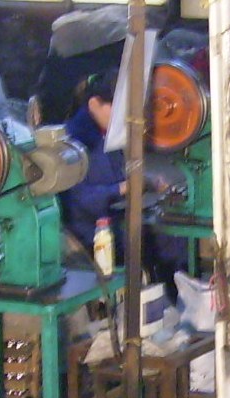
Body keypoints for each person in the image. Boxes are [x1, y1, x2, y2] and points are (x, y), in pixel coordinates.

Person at [61, 70, 182, 294]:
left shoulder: (106, 133)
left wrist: (147, 181)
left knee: (172, 233)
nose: (123, 119)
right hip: (88, 232)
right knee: (164, 239)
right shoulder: (72, 141)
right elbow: (79, 201)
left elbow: (117, 174)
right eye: (118, 110)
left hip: (113, 217)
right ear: (94, 104)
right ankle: (174, 296)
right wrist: (122, 188)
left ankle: (173, 294)